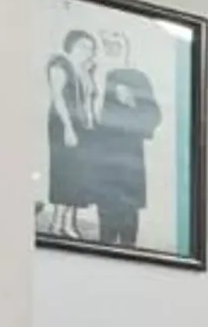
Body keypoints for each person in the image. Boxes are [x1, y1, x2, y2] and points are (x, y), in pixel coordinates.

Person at [84, 63, 163, 249]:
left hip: (130, 162)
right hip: (105, 162)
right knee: (107, 210)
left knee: (129, 210)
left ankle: (127, 245)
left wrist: (132, 103)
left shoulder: (137, 81)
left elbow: (153, 115)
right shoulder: (102, 85)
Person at [42, 27, 101, 233]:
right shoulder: (59, 65)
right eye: (84, 46)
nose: (89, 51)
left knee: (77, 177)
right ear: (72, 45)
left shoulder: (84, 69)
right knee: (65, 174)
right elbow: (57, 98)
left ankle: (68, 224)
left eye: (92, 48)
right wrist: (68, 128)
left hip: (83, 126)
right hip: (63, 124)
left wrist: (92, 124)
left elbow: (89, 99)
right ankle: (57, 224)